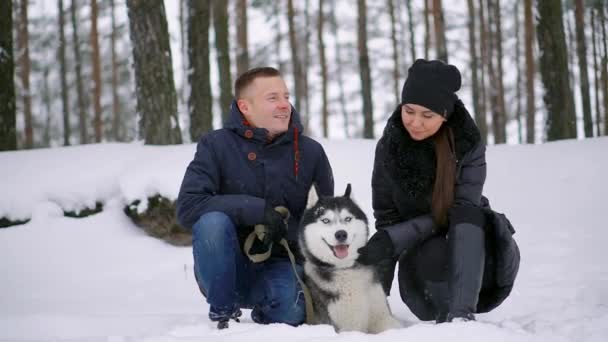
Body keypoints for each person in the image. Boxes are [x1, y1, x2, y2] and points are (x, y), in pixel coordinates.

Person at [357, 59, 520, 323]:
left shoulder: (467, 144)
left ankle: (461, 317)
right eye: (409, 111)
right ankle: (443, 313)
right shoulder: (389, 148)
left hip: (480, 254)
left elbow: (459, 210)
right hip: (425, 269)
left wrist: (396, 236)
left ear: (445, 115)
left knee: (469, 214)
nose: (415, 122)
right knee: (424, 250)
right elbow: (388, 220)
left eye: (427, 115)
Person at [176, 67, 334, 329]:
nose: (285, 105)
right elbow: (189, 208)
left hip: (282, 262)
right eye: (273, 98)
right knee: (212, 222)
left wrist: (286, 231)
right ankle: (223, 314)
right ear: (245, 107)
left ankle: (269, 312)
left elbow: (326, 218)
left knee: (292, 312)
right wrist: (256, 211)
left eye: (286, 96)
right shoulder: (216, 145)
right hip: (224, 265)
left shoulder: (311, 152)